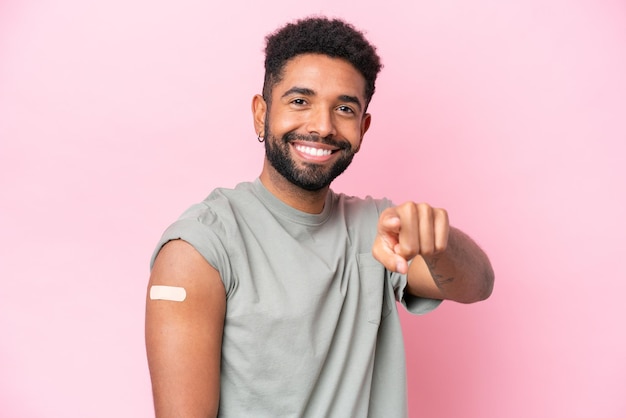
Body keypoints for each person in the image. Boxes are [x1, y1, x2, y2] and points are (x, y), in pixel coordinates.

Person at [145, 16, 494, 418]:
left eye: (344, 108)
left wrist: (438, 241)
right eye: (299, 101)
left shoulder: (378, 228)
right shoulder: (200, 249)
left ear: (363, 127)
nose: (322, 126)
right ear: (261, 113)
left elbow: (478, 284)